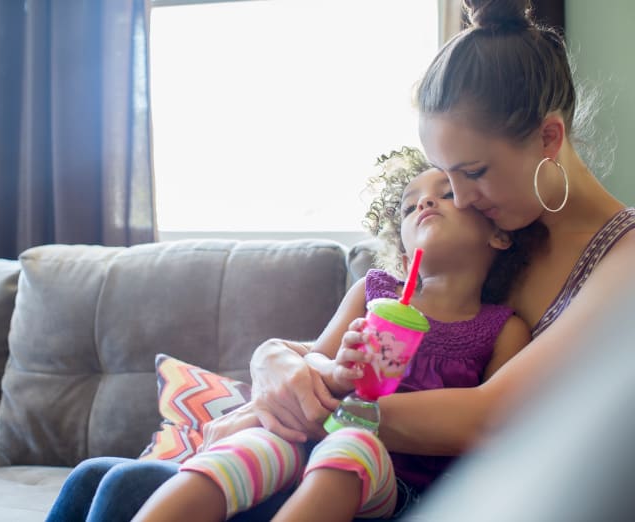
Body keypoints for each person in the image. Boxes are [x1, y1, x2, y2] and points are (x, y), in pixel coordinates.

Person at [46, 0, 635, 519]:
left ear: (550, 139)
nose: (462, 198)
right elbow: (342, 352)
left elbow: (490, 416)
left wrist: (313, 412)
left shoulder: (623, 258)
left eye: (471, 175)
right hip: (355, 450)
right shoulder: (500, 226)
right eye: (447, 176)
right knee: (97, 475)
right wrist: (271, 360)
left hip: (429, 488)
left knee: (127, 488)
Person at [129, 147, 531, 522]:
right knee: (254, 444)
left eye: (445, 194)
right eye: (409, 206)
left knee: (352, 445)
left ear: (499, 235)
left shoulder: (502, 329)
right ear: (404, 252)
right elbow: (314, 362)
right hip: (311, 446)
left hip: (404, 490)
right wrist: (338, 371)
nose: (424, 204)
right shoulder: (373, 294)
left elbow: (492, 425)